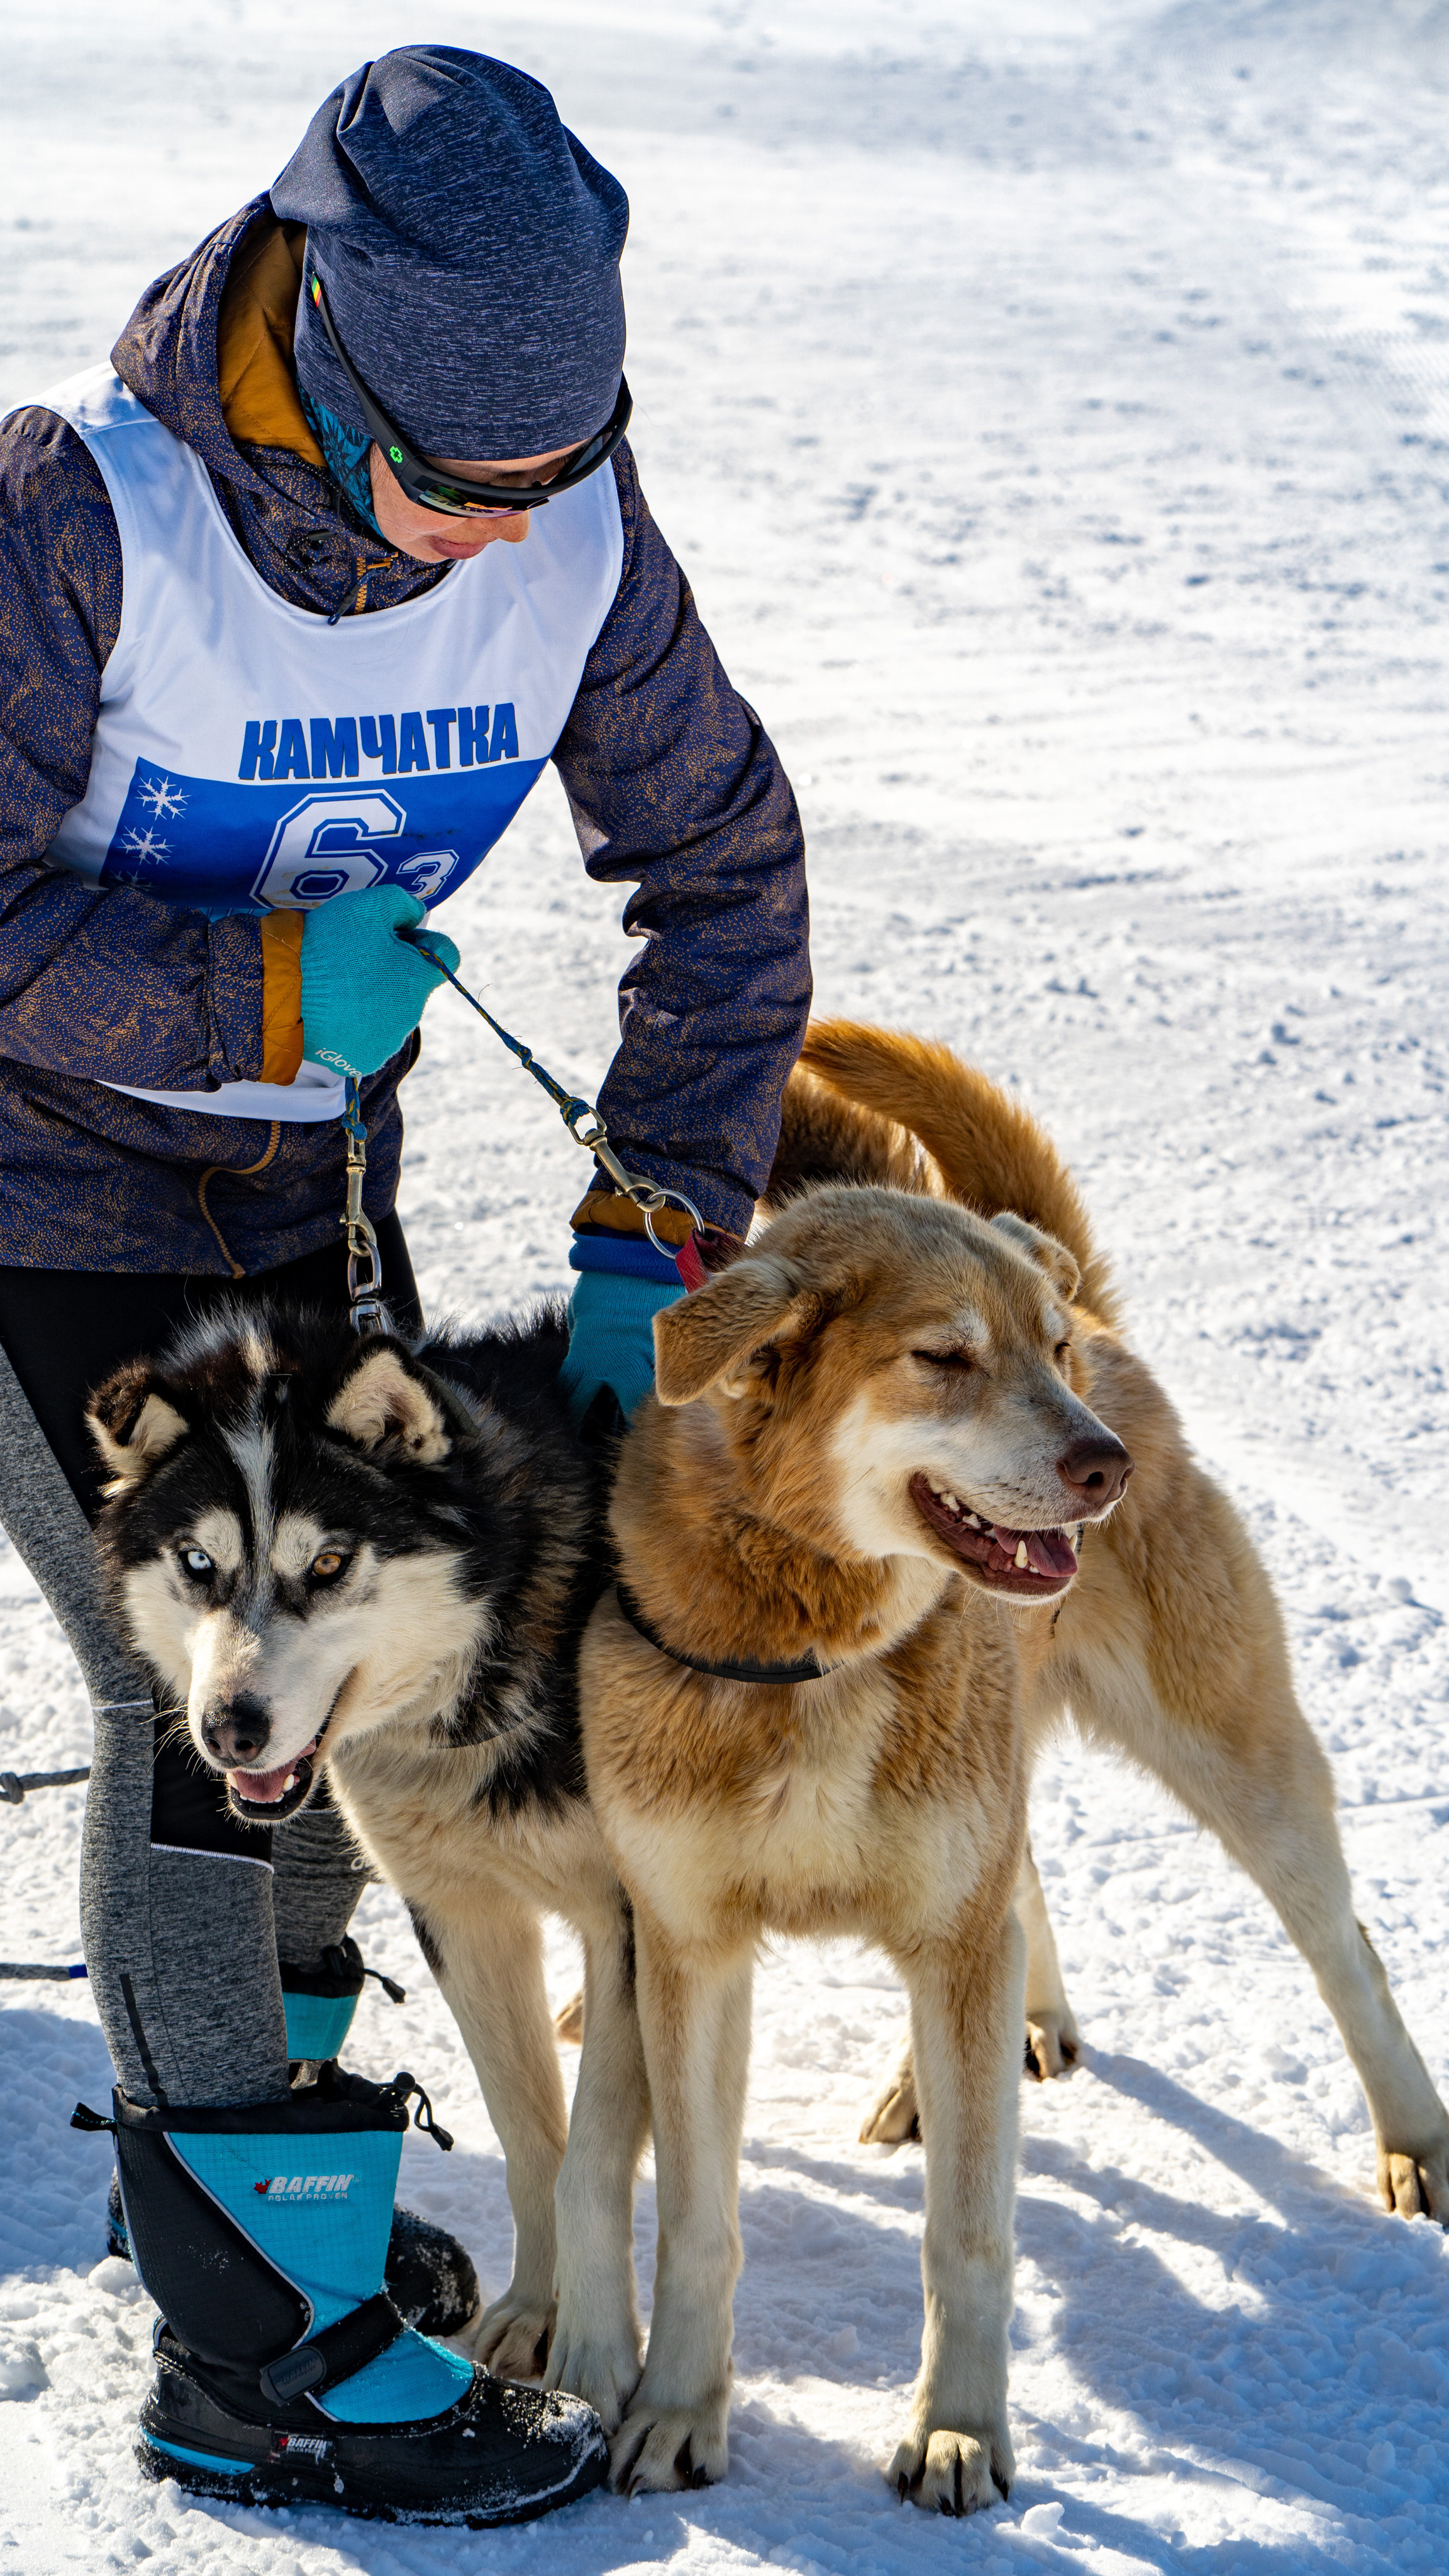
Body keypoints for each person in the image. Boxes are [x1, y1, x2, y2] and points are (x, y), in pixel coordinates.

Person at [0, 45, 809, 2523]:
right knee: (216, 1688)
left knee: (371, 1658)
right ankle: (243, 2342)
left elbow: (726, 870)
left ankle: (291, 2135)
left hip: (297, 1205)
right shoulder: (82, 522)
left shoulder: (571, 529)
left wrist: (656, 1226)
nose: (492, 540)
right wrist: (254, 1001)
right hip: (36, 1193)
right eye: (452, 486)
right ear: (325, 373)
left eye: (538, 487)